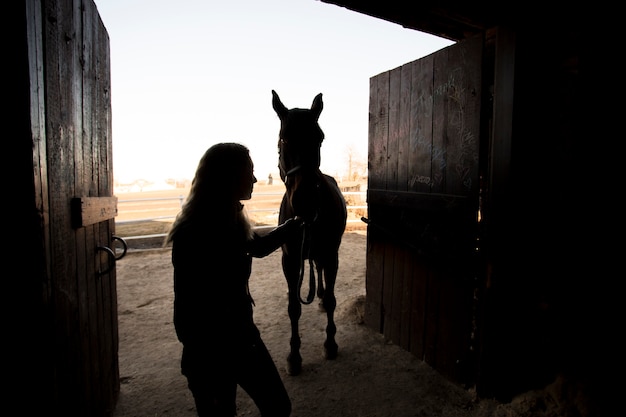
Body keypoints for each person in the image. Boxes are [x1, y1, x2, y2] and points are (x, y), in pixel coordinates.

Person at [165, 142, 300, 416]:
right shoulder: (199, 231)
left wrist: (292, 225)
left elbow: (256, 247)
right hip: (214, 347)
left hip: (238, 337)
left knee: (276, 406)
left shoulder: (225, 216)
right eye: (248, 172)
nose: (254, 179)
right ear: (227, 177)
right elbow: (190, 306)